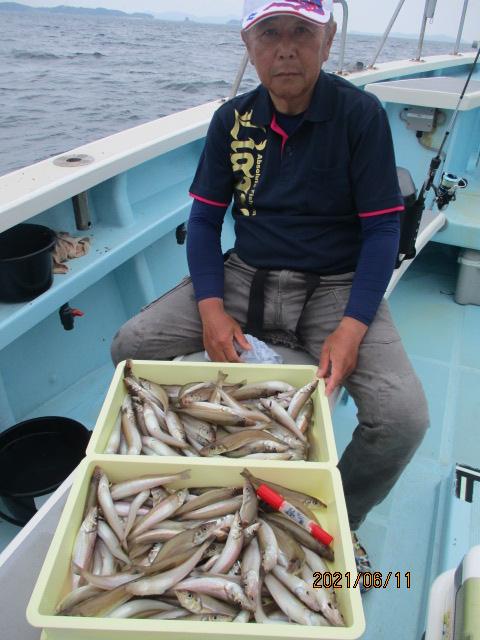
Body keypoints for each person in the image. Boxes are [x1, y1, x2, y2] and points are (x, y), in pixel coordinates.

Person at [111, 0, 429, 585]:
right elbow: (205, 222)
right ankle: (174, 486)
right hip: (245, 274)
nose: (286, 47)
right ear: (249, 46)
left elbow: (384, 227)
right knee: (131, 346)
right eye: (270, 34)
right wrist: (210, 308)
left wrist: (354, 325)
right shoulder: (231, 121)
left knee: (403, 418)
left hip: (336, 285)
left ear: (327, 42)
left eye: (302, 33)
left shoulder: (361, 116)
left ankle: (341, 516)